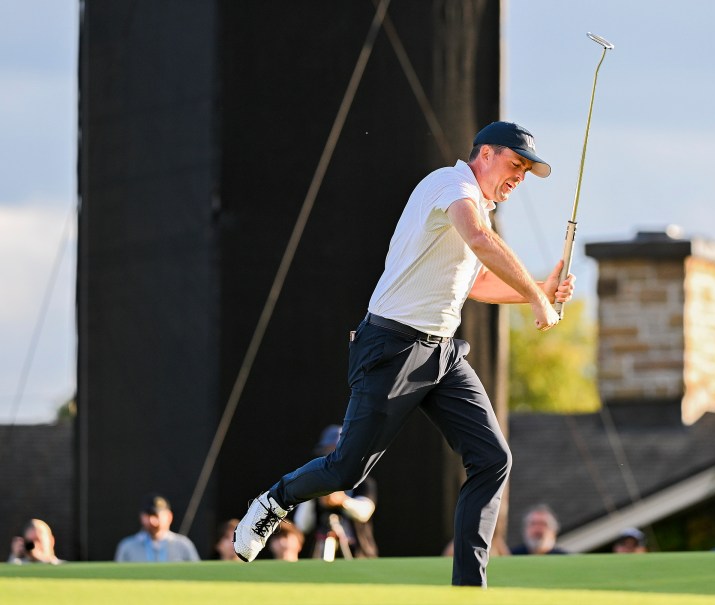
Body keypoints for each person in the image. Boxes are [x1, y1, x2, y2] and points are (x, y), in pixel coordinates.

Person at [233, 121, 574, 587]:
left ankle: (468, 591)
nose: (520, 176)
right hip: (391, 346)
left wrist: (540, 289)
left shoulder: (478, 208)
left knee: (494, 459)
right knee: (346, 468)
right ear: (487, 154)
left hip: (443, 353)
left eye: (527, 171)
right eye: (516, 164)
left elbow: (475, 282)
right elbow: (479, 240)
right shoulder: (450, 185)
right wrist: (536, 296)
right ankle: (274, 499)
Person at [293, 425, 378, 559]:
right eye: (328, 451)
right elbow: (302, 524)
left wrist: (342, 501)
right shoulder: (316, 484)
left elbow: (365, 512)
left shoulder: (364, 482)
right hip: (322, 556)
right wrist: (310, 494)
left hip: (360, 556)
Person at [114, 493, 200, 562]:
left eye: (156, 516)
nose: (152, 521)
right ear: (141, 517)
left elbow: (196, 575)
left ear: (169, 517)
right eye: (148, 516)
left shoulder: (183, 545)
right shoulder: (127, 546)